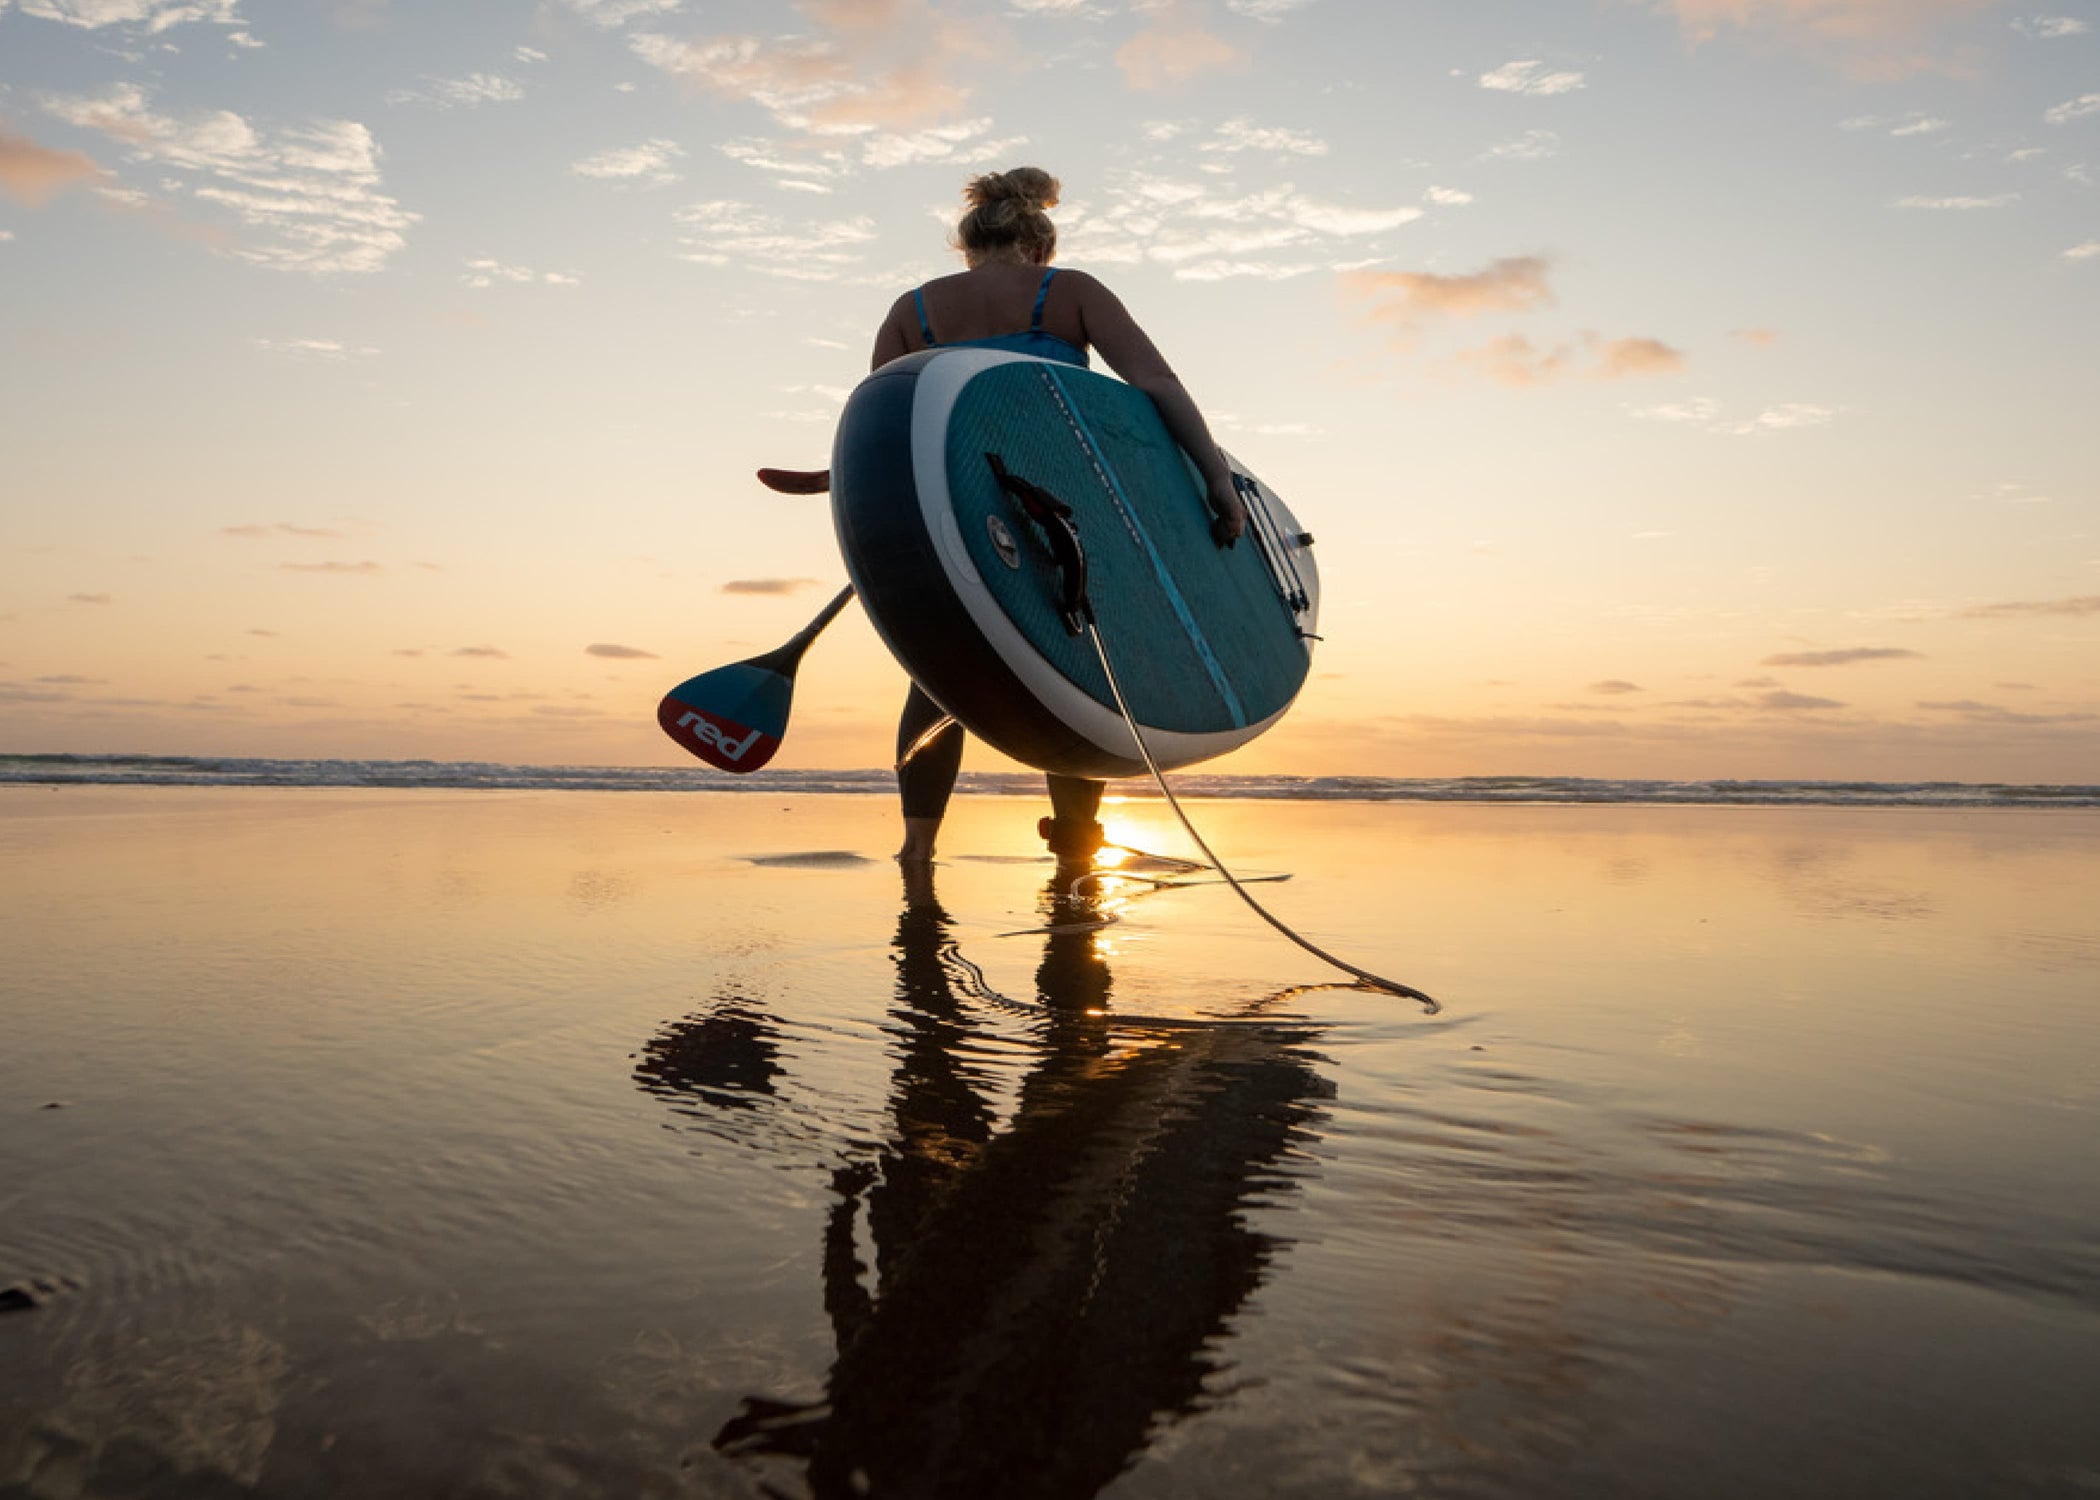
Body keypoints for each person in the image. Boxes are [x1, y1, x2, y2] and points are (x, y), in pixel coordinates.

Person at [762, 167, 1246, 870]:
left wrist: (833, 480)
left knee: (937, 674)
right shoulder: (1070, 291)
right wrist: (1216, 478)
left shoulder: (914, 309)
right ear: (1040, 244)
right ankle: (1077, 843)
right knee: (1074, 663)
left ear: (968, 243)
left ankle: (918, 847)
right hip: (1055, 509)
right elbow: (1156, 384)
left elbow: (881, 425)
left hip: (950, 516)